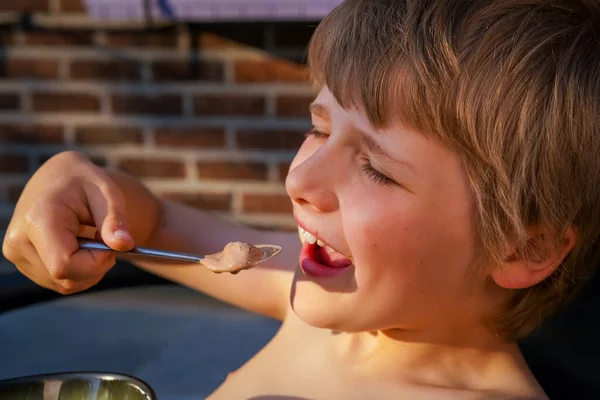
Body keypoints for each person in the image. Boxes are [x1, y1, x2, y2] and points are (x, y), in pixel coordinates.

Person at [4, 0, 600, 398]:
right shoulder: (322, 301)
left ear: (526, 244)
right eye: (318, 128)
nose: (299, 181)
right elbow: (154, 223)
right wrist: (78, 184)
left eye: (376, 168)